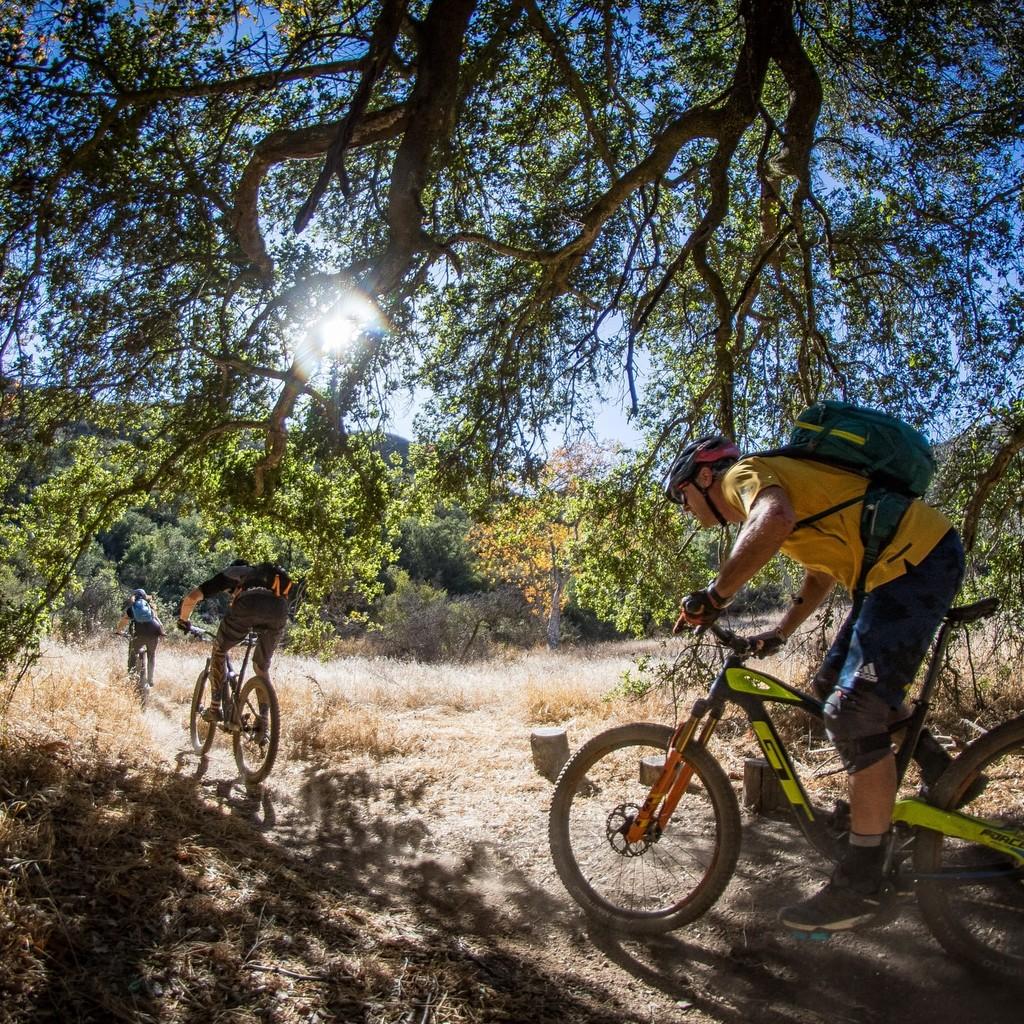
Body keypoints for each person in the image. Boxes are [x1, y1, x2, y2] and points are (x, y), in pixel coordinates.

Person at [665, 433, 964, 933]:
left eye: (682, 496)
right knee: (830, 688)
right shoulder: (789, 486)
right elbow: (821, 575)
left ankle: (862, 883)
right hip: (896, 572)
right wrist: (778, 634)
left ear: (704, 477)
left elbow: (774, 521)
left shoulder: (746, 476)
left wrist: (714, 596)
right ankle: (947, 773)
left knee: (852, 710)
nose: (685, 508)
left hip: (911, 566)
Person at [176, 560, 292, 724]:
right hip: (279, 610)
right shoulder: (270, 578)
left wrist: (183, 620)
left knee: (219, 649)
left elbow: (192, 597)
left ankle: (215, 708)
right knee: (261, 666)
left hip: (248, 606)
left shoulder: (232, 573)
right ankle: (264, 719)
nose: (230, 595)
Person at [115, 588, 166, 690]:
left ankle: (131, 678)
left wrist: (118, 631)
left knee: (132, 656)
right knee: (151, 655)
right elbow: (158, 621)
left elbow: (123, 621)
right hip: (153, 634)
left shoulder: (132, 607)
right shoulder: (150, 607)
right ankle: (150, 680)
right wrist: (162, 632)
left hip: (138, 635)